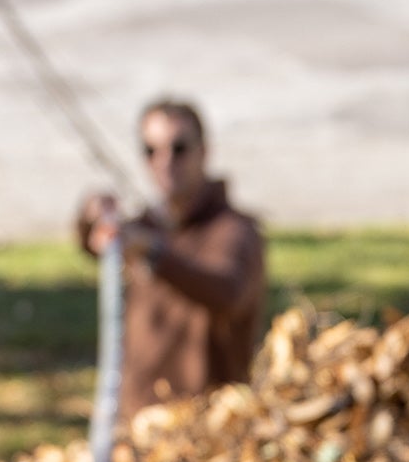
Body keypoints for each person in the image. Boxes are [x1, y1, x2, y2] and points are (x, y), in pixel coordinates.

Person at [76, 101, 266, 415]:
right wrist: (91, 215)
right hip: (137, 425)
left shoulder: (235, 231)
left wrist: (155, 253)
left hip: (209, 426)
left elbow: (227, 292)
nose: (165, 161)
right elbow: (92, 244)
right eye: (151, 150)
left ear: (204, 151)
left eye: (179, 148)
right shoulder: (146, 226)